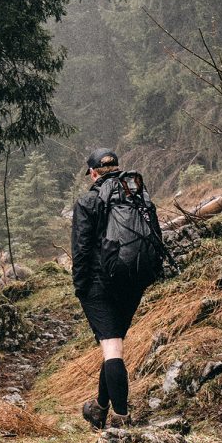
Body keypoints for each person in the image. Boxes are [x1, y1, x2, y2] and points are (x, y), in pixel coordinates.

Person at [70, 147, 154, 428]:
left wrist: (81, 288)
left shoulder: (87, 201)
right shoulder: (137, 194)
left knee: (112, 349)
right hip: (133, 282)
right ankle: (99, 407)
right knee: (112, 347)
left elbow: (81, 250)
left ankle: (121, 420)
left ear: (93, 173)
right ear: (117, 168)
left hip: (100, 285)